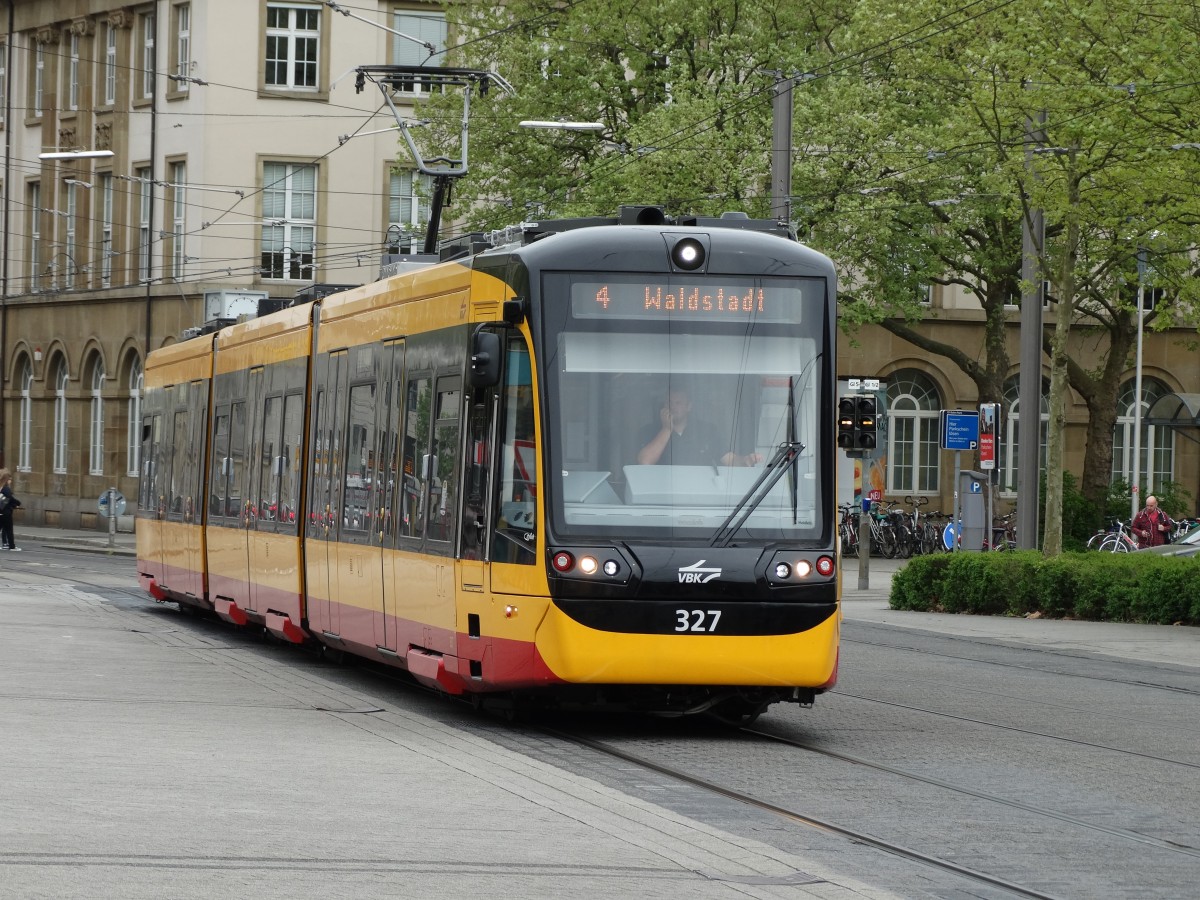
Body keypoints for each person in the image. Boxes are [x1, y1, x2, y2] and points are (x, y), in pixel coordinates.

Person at [636, 387, 763, 467]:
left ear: (689, 406)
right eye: (669, 402)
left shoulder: (707, 431)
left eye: (678, 403)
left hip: (701, 495)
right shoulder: (649, 430)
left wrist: (745, 460)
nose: (672, 407)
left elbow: (729, 459)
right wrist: (666, 429)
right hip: (663, 497)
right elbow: (645, 461)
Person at [0, 468, 21, 551]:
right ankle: (12, 546)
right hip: (6, 513)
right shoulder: (6, 489)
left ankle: (6, 544)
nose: (10, 481)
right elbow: (10, 499)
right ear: (6, 480)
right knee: (9, 530)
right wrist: (18, 503)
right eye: (9, 479)